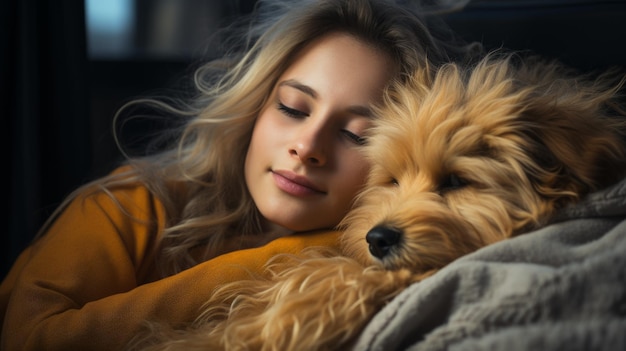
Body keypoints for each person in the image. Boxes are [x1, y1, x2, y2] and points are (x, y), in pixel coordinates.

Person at [0, 0, 478, 350]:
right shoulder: (134, 202)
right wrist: (290, 257)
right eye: (292, 108)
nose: (307, 147)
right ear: (256, 107)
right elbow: (30, 339)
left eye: (356, 135)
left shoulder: (383, 262)